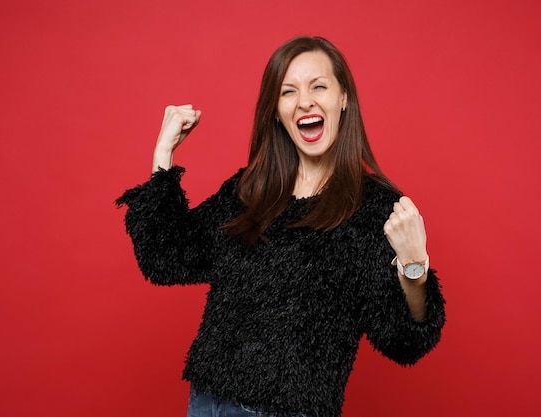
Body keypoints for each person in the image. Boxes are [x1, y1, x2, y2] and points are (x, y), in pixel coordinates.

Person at [116, 36, 446, 417]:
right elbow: (165, 259)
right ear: (276, 110)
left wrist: (414, 265)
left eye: (318, 86)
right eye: (288, 91)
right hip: (208, 404)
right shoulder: (250, 191)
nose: (305, 100)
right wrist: (163, 155)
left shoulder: (375, 209)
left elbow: (404, 342)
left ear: (343, 98)